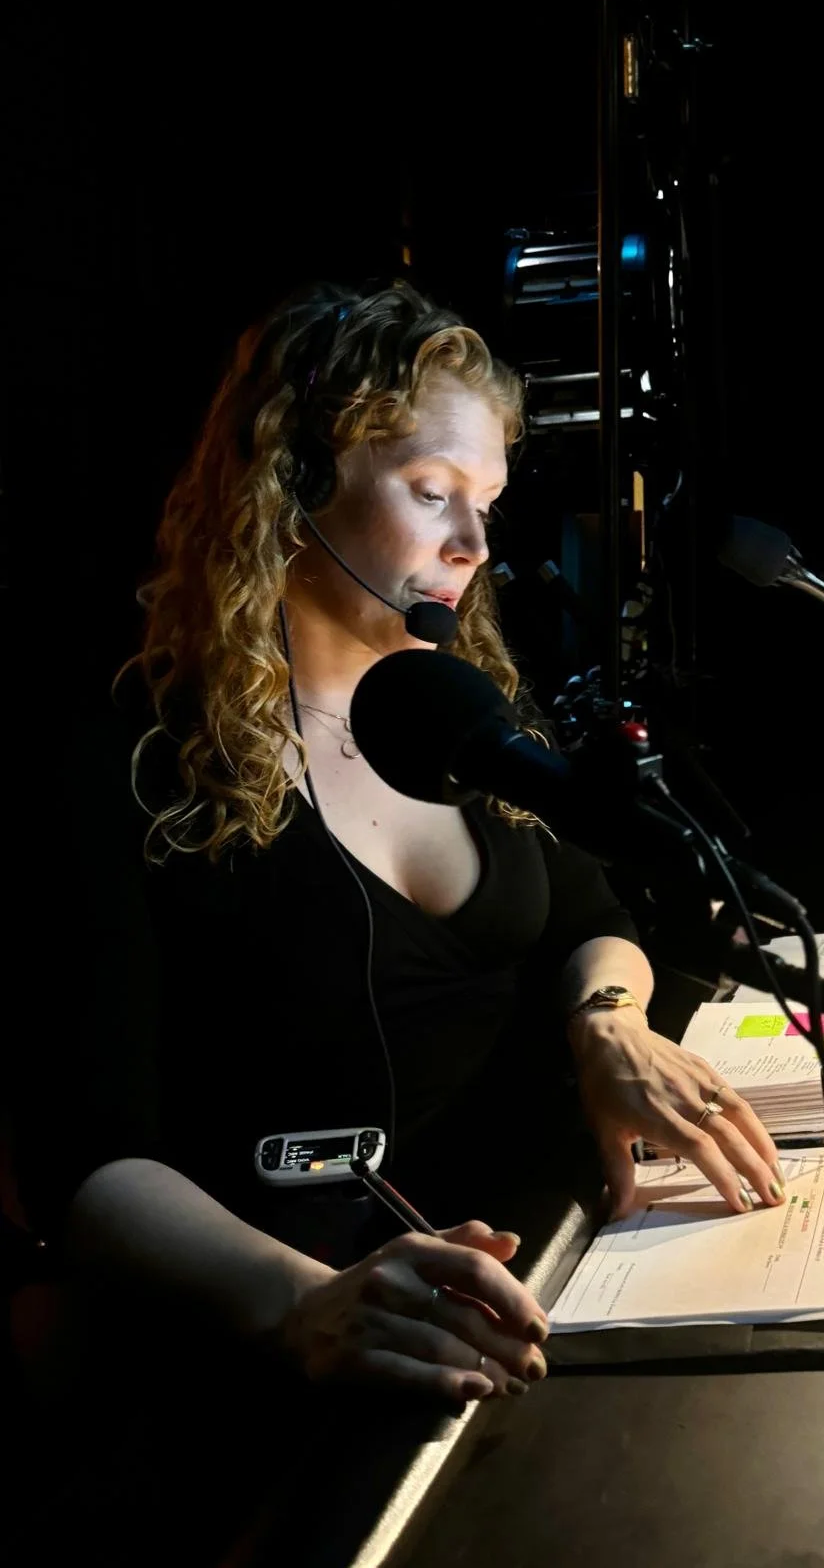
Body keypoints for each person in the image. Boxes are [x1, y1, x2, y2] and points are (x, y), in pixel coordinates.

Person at [14, 278, 785, 1429]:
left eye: (488, 504)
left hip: (546, 1289)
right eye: (433, 494)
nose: (473, 544)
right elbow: (84, 1163)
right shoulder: (125, 762)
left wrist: (608, 1021)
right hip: (283, 1367)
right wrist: (303, 1304)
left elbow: (590, 917)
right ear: (294, 483)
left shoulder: (455, 710)